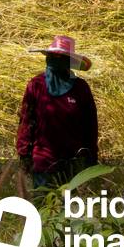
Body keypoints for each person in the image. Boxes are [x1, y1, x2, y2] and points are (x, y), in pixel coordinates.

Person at [16, 35, 98, 188]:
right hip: (43, 163)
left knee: (69, 210)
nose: (54, 60)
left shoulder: (80, 88)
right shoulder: (36, 85)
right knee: (43, 207)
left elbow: (90, 126)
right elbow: (26, 121)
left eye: (60, 57)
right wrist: (24, 153)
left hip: (73, 166)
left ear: (68, 61)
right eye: (52, 56)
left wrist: (91, 159)